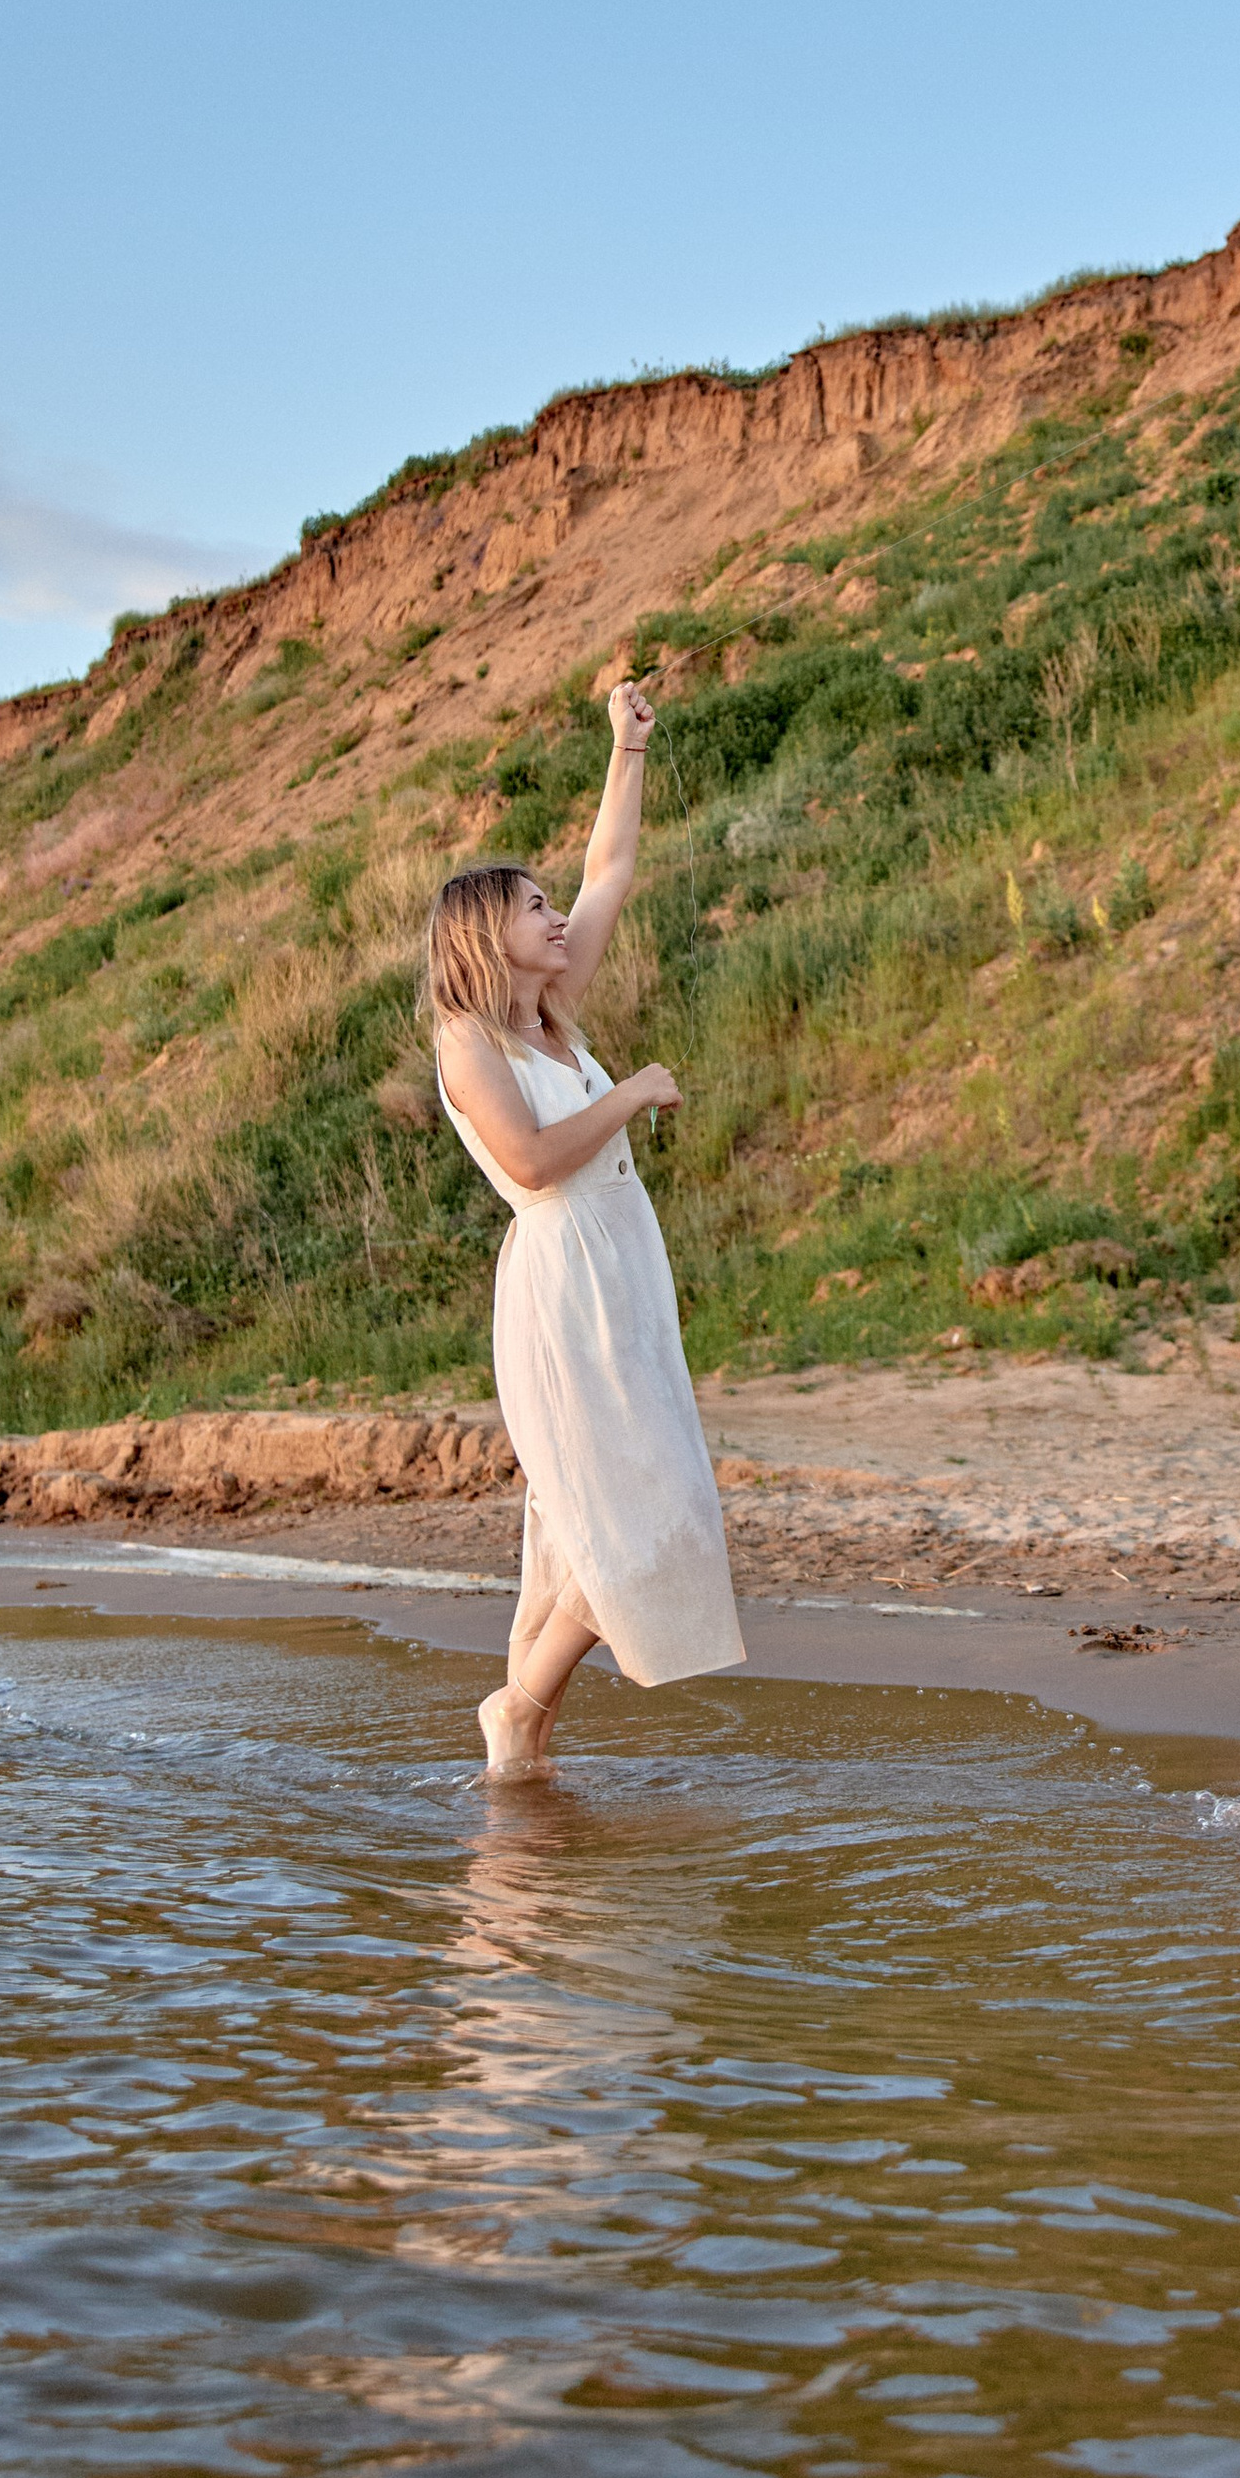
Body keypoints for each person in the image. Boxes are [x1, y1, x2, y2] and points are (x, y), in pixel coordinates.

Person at [426, 681, 744, 1778]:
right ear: (487, 936)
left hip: (623, 1270)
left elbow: (612, 870)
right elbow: (526, 1163)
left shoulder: (551, 1014)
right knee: (642, 1517)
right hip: (564, 1284)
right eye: (534, 908)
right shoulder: (471, 1044)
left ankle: (526, 1736)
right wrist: (632, 1092)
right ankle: (514, 1709)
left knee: (600, 1517)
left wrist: (627, 749)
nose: (558, 917)